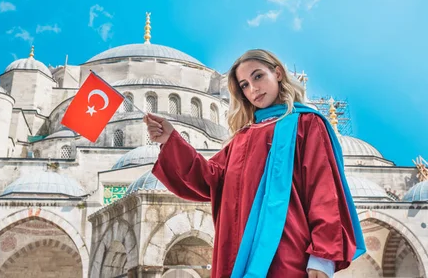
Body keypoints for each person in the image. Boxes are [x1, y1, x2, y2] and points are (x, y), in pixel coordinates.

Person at [144, 49, 364, 277]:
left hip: (288, 252)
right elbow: (208, 179)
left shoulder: (307, 124)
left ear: (277, 73)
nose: (253, 89)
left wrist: (322, 257)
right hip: (238, 252)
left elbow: (323, 190)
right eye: (244, 85)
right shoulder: (242, 139)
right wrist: (170, 140)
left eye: (258, 76)